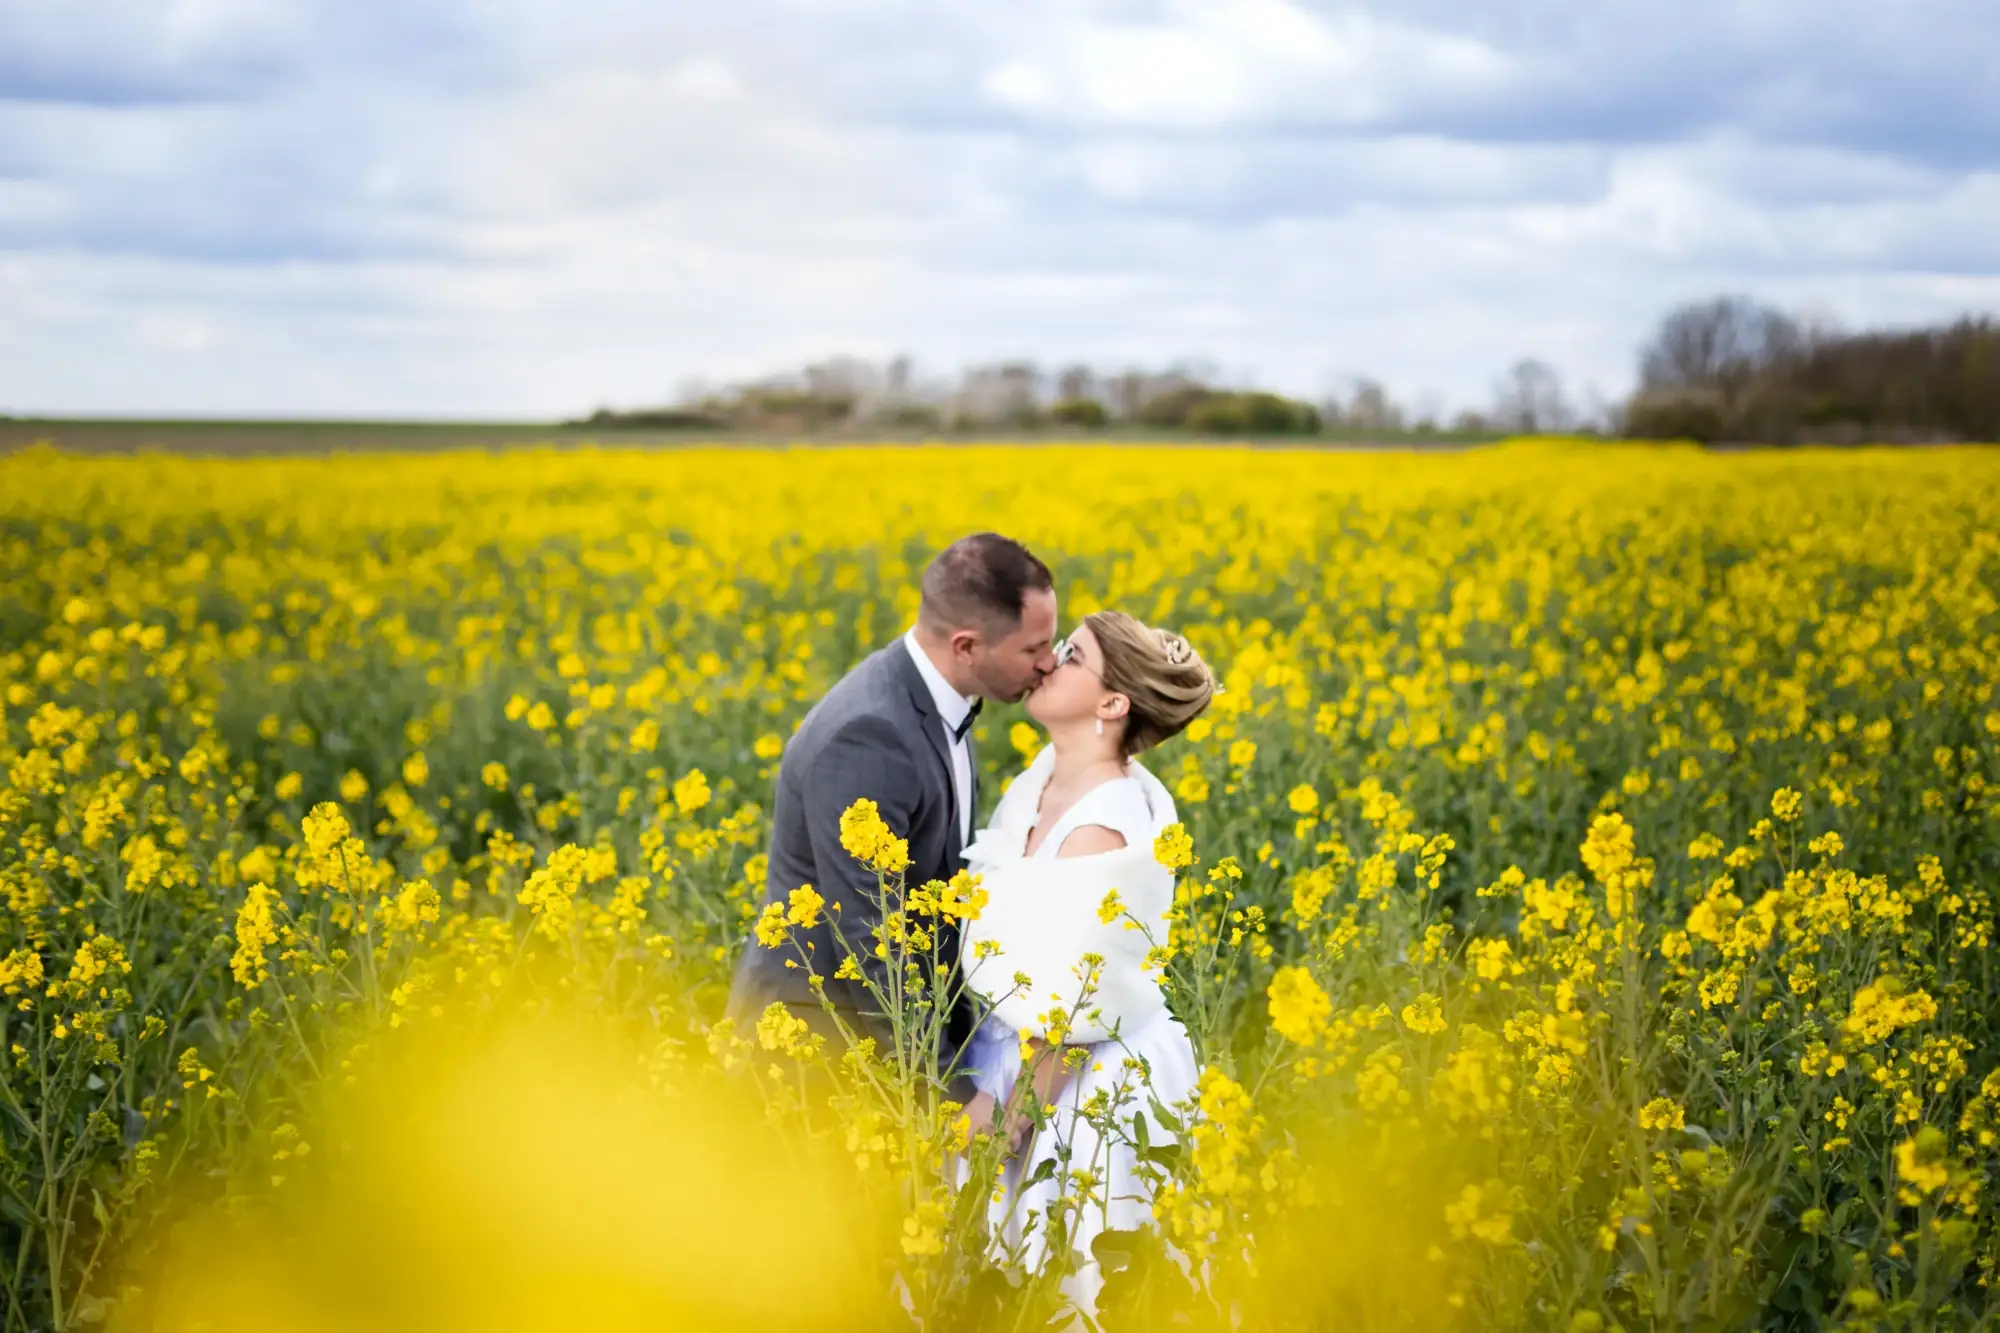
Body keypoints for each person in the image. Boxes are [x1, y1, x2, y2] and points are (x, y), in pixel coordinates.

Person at [728, 532, 1058, 1096]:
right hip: (818, 1050)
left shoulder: (936, 700)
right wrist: (954, 1096)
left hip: (877, 1039)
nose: (1048, 664)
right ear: (966, 646)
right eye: (1033, 649)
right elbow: (871, 936)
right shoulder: (872, 736)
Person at [957, 610, 1216, 1318]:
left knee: (1070, 1276)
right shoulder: (1046, 779)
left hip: (1079, 1072)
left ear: (1112, 704)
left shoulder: (1105, 821)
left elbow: (1079, 998)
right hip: (1025, 1046)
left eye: (1073, 655)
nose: (1048, 661)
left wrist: (1013, 1112)